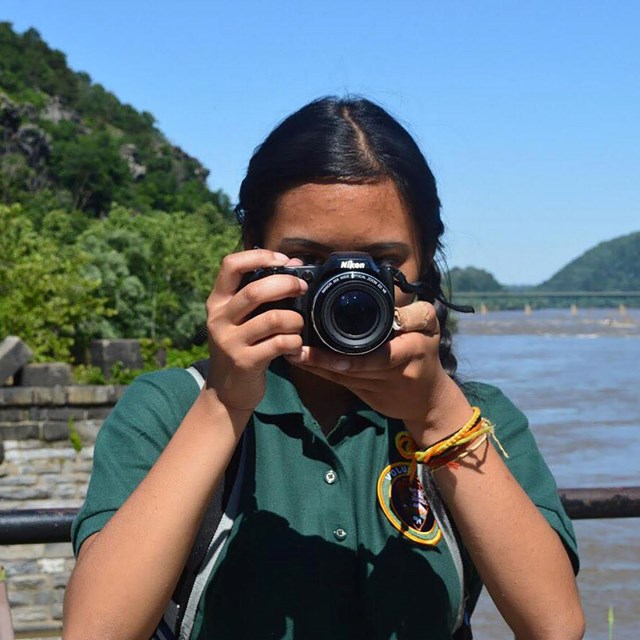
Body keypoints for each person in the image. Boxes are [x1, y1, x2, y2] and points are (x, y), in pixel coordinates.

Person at [63, 97, 585, 639]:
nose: (347, 288)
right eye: (310, 259)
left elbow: (555, 626)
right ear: (251, 253)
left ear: (427, 260)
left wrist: (438, 417)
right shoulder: (170, 407)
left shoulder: (475, 417)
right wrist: (224, 403)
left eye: (381, 265)